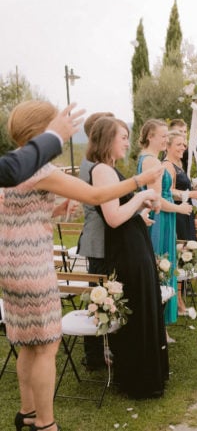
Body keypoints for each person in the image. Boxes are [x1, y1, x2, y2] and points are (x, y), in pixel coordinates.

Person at [0, 100, 163, 431]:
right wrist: (139, 181)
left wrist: (55, 212)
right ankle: (46, 425)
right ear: (43, 131)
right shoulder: (41, 169)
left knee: (27, 344)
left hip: (9, 266)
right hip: (33, 266)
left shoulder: (15, 166)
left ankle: (27, 413)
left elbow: (16, 207)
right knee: (46, 345)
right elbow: (96, 197)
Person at [89, 116, 170, 400]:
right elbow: (112, 218)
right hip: (126, 250)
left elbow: (123, 212)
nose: (127, 142)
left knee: (143, 307)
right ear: (107, 139)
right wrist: (141, 195)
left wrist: (140, 209)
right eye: (122, 137)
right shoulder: (101, 171)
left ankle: (146, 374)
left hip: (134, 244)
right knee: (137, 312)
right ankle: (139, 379)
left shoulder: (110, 169)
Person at [137, 119, 192, 332]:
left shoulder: (149, 158)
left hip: (162, 218)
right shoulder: (152, 162)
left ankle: (160, 325)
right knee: (161, 265)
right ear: (150, 136)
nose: (165, 140)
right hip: (159, 221)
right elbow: (157, 198)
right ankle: (158, 326)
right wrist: (179, 209)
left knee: (162, 266)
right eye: (162, 136)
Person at [76, 111, 114, 371]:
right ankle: (94, 354)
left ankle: (103, 348)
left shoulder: (95, 162)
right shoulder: (93, 165)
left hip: (102, 236)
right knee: (98, 295)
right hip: (98, 237)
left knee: (103, 293)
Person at [162, 130, 197, 316]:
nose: (183, 147)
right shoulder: (167, 165)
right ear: (168, 146)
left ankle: (179, 300)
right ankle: (177, 303)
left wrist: (193, 190)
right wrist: (190, 194)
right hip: (177, 215)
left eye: (184, 144)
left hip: (185, 214)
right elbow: (167, 191)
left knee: (184, 257)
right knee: (179, 257)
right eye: (179, 144)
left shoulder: (178, 164)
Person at [0, 103, 83, 188]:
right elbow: (94, 196)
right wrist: (54, 137)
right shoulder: (43, 170)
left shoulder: (13, 160)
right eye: (54, 125)